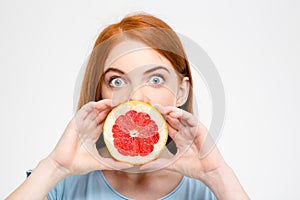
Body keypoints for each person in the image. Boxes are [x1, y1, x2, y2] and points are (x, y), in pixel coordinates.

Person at [6, 13, 249, 200]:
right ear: (100, 92)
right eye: (117, 81)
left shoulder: (208, 190)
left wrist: (217, 174)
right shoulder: (64, 183)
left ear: (182, 92)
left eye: (156, 80)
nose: (136, 97)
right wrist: (55, 167)